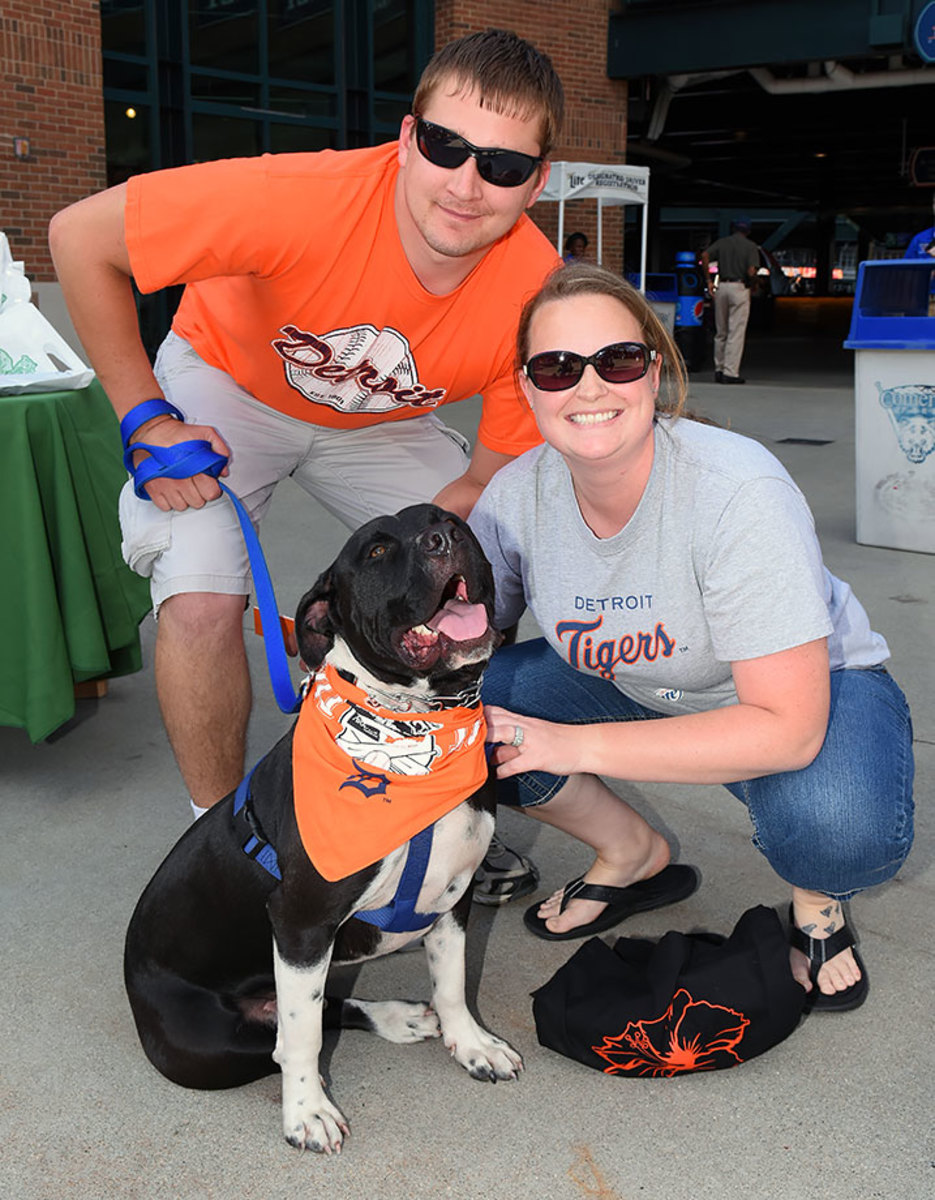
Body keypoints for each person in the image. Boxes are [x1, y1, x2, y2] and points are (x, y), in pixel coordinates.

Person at [47, 28, 559, 900]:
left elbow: (483, 480)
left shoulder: (536, 288)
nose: (467, 184)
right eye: (445, 147)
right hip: (227, 380)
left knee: (486, 578)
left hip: (382, 418)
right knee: (202, 589)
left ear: (537, 179)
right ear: (406, 138)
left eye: (503, 165)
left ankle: (436, 810)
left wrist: (446, 574)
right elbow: (78, 237)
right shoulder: (297, 197)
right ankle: (228, 842)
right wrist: (142, 416)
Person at [469, 261, 914, 1011]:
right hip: (635, 684)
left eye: (615, 360)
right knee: (449, 722)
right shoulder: (515, 498)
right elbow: (464, 637)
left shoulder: (736, 491)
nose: (588, 388)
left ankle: (815, 900)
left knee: (836, 827)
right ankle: (631, 852)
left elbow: (787, 730)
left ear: (652, 368)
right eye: (556, 367)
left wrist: (568, 746)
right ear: (526, 386)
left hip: (800, 695)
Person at [700, 217, 760, 384]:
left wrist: (709, 280)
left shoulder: (722, 243)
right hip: (739, 287)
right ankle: (730, 372)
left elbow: (705, 255)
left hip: (722, 287)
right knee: (736, 331)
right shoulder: (750, 246)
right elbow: (751, 271)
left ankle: (718, 369)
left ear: (733, 228)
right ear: (748, 231)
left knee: (721, 331)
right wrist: (754, 284)